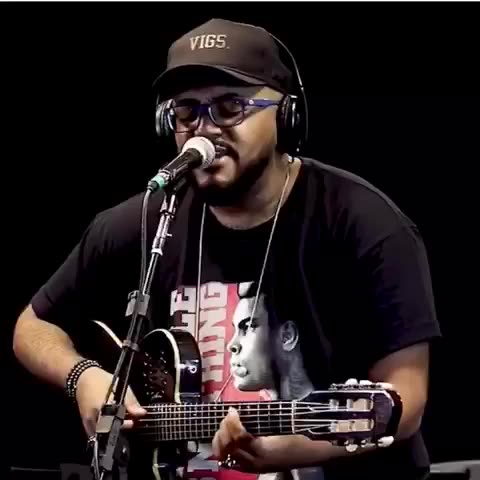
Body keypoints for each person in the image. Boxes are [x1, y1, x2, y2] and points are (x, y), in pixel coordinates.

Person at [12, 17, 441, 480]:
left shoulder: (364, 223)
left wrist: (289, 450)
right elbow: (32, 328)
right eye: (187, 112)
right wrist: (84, 378)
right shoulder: (147, 218)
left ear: (286, 116)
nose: (204, 130)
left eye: (230, 107)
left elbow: (406, 399)